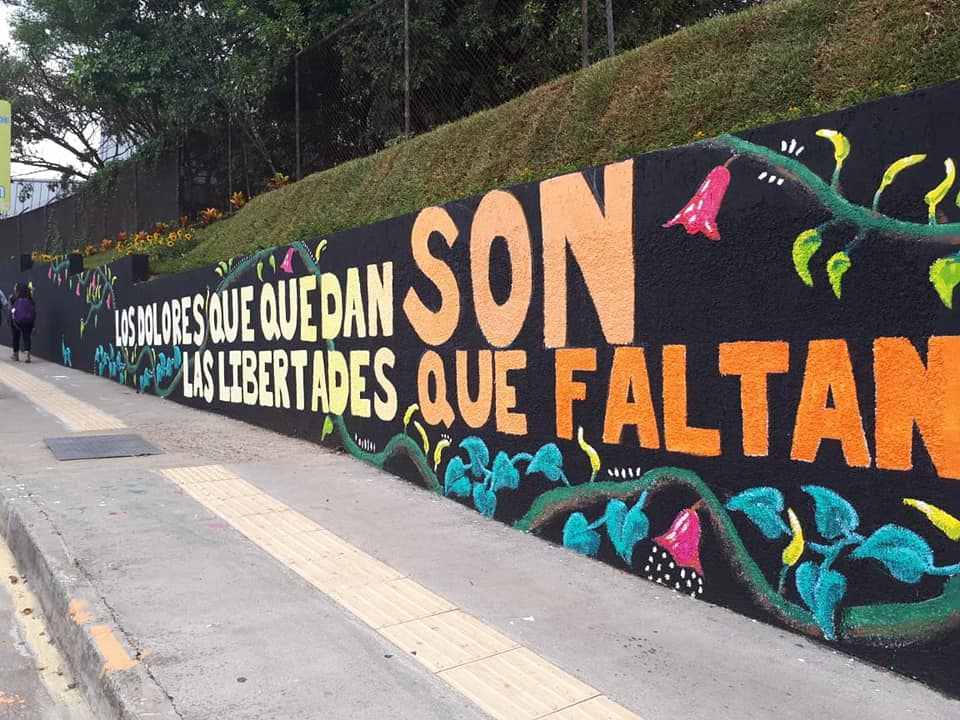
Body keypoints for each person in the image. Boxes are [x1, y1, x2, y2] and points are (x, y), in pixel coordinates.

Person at [10, 283, 36, 363]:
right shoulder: (30, 299)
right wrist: (33, 324)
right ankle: (27, 354)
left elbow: (10, 309)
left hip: (17, 321)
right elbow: (33, 311)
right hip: (28, 321)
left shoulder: (14, 298)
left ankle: (15, 354)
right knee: (26, 337)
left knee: (16, 337)